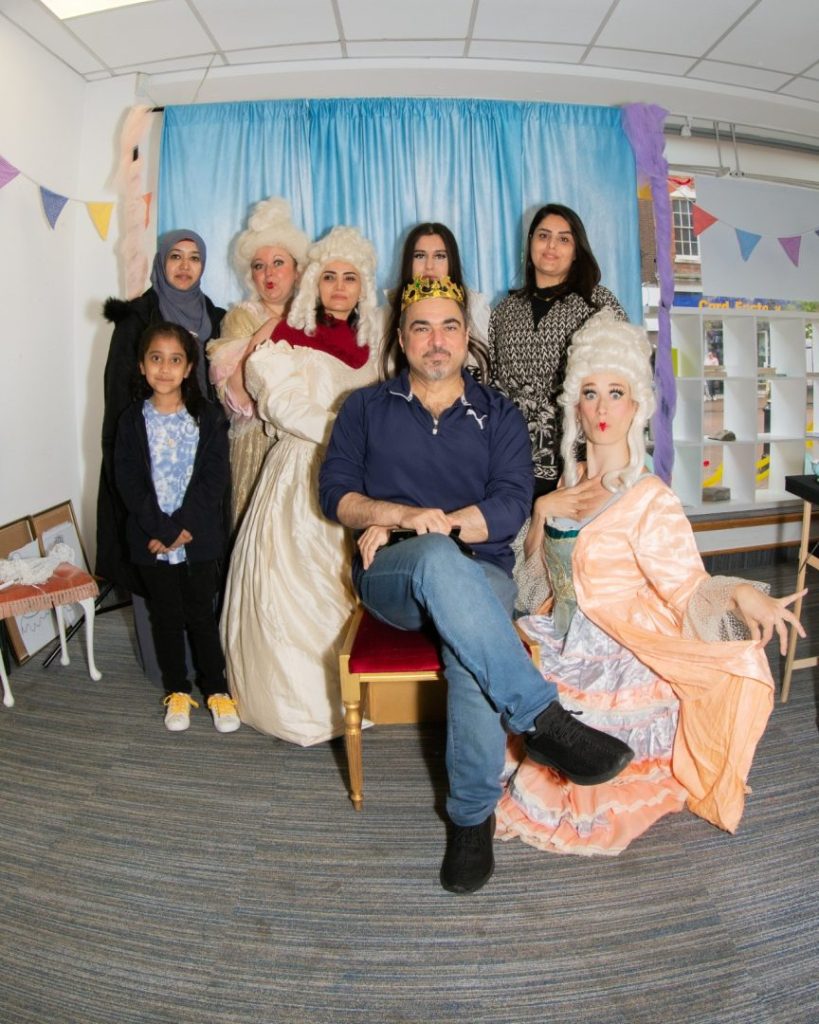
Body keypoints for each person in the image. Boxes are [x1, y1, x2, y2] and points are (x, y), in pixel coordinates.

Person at [319, 276, 634, 896]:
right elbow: (335, 496)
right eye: (422, 327)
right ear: (401, 337)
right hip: (393, 576)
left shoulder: (499, 414)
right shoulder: (364, 408)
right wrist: (400, 518)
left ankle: (470, 821)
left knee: (470, 641)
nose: (436, 341)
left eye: (449, 327)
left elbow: (512, 507)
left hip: (482, 571)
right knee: (437, 559)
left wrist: (435, 523)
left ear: (467, 336)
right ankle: (543, 720)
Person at [498, 310, 805, 855]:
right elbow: (532, 579)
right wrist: (543, 510)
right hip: (561, 632)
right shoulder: (567, 481)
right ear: (575, 405)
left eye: (615, 393)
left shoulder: (650, 498)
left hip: (619, 647)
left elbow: (687, 586)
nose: (602, 408)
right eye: (590, 393)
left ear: (636, 404)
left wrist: (741, 593)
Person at [221, 226, 380, 745]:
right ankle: (299, 706)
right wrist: (347, 434)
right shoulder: (287, 331)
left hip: (356, 478)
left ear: (363, 285)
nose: (339, 286)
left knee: (346, 583)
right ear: (314, 280)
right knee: (292, 584)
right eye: (329, 276)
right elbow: (279, 401)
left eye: (349, 277)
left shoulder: (374, 343)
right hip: (299, 474)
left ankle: (353, 695)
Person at [114, 322, 238, 734]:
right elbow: (128, 480)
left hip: (196, 539)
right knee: (165, 617)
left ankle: (217, 689)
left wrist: (182, 527)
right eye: (156, 358)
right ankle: (177, 690)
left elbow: (214, 479)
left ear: (188, 368)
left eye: (175, 360)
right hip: (151, 539)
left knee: (202, 615)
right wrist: (160, 530)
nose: (165, 369)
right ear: (142, 365)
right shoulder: (132, 420)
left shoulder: (207, 418)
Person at [488, 203, 627, 505]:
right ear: (530, 243)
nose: (551, 246)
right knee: (521, 533)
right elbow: (495, 382)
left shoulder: (597, 304)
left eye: (564, 239)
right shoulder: (504, 311)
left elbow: (624, 380)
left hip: (580, 462)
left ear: (577, 251)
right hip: (513, 460)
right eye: (543, 236)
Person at [207, 198, 310, 529]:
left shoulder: (312, 318)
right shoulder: (241, 317)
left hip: (305, 446)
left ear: (297, 270)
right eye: (259, 265)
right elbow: (238, 396)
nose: (269, 273)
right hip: (258, 446)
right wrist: (268, 331)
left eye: (278, 262)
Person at [381, 222, 490, 379]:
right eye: (420, 256)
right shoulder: (384, 315)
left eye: (440, 256)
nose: (429, 266)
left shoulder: (476, 309)